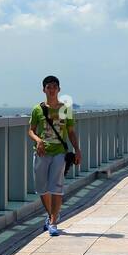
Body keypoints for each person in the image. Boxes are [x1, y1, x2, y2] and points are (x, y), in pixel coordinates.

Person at [28, 75, 81, 236]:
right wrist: (38, 141)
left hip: (59, 152)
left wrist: (77, 149)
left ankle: (53, 222)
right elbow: (31, 130)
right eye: (48, 87)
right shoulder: (37, 109)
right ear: (43, 89)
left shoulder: (65, 109)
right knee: (41, 188)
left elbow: (71, 132)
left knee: (56, 188)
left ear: (59, 89)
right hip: (42, 152)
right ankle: (51, 214)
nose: (51, 90)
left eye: (54, 87)